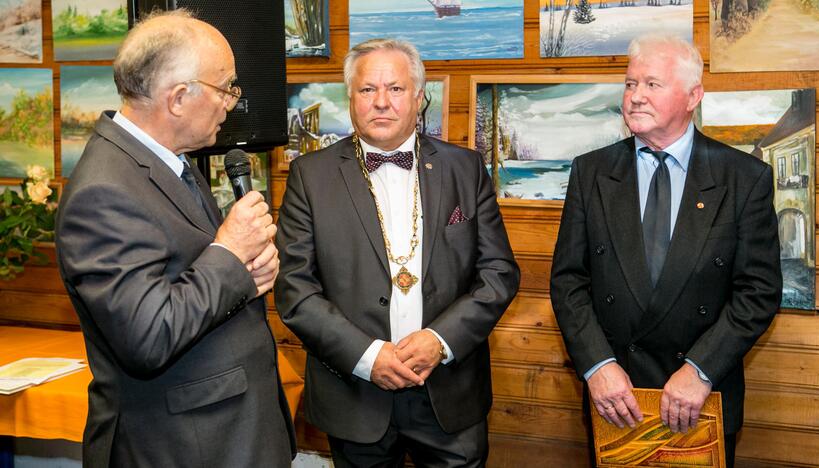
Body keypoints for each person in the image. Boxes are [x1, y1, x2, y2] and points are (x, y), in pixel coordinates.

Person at [55, 10, 295, 467]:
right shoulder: (104, 191)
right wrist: (231, 254)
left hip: (227, 429)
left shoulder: (171, 160)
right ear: (179, 98)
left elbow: (189, 275)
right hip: (183, 445)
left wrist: (244, 274)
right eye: (226, 88)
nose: (232, 103)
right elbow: (148, 335)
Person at [276, 38, 520, 467]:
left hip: (449, 393)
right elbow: (295, 290)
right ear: (351, 98)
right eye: (368, 90)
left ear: (419, 96)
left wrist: (440, 341)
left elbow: (498, 272)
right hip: (355, 395)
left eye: (396, 89)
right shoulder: (308, 176)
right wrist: (369, 357)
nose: (381, 103)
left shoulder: (465, 168)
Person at [549, 33, 781, 467]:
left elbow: (758, 292)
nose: (635, 96)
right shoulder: (591, 172)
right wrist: (597, 366)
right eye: (630, 84)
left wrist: (700, 370)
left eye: (651, 84)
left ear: (693, 95)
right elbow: (568, 282)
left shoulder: (743, 178)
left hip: (700, 399)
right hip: (615, 398)